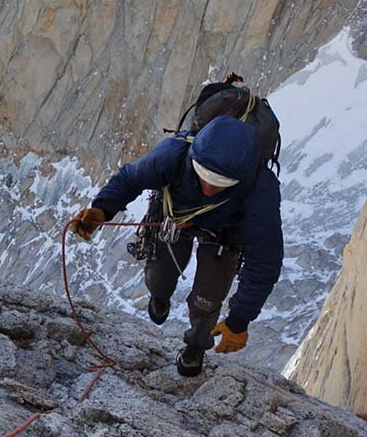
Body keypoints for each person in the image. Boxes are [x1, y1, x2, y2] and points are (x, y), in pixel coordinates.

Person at [71, 115, 283, 377]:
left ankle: (196, 346)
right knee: (160, 272)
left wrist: (239, 320)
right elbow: (130, 179)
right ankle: (160, 295)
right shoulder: (173, 154)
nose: (208, 188)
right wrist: (101, 209)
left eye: (220, 184)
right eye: (203, 176)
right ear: (192, 160)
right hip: (176, 216)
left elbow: (265, 259)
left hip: (223, 236)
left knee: (207, 298)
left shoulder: (260, 190)